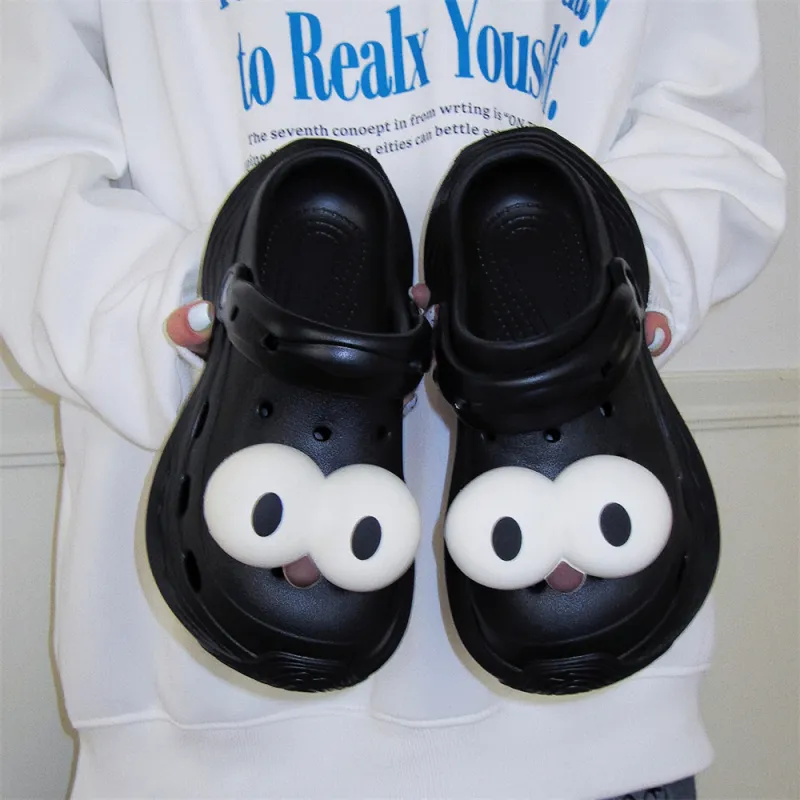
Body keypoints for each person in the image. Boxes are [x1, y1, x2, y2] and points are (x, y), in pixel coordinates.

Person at [0, 1, 786, 797]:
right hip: (209, 732)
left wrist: (602, 304)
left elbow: (701, 131)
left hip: (594, 736)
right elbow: (27, 163)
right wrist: (210, 337)